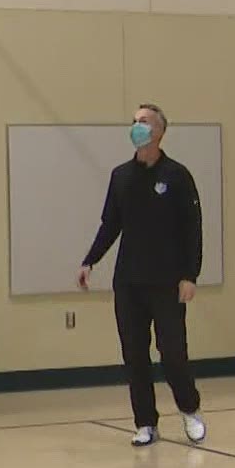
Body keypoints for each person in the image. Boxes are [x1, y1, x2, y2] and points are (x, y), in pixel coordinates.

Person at [78, 104, 206, 447]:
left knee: (172, 352)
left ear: (160, 131)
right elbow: (111, 225)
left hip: (166, 281)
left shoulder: (177, 175)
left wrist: (189, 275)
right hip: (129, 282)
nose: (137, 127)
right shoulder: (121, 176)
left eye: (144, 122)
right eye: (134, 122)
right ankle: (145, 423)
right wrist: (90, 261)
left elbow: (192, 229)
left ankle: (190, 409)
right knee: (134, 353)